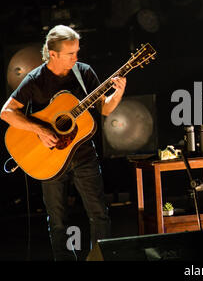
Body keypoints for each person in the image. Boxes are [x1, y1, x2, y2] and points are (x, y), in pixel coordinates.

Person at [1, 25, 127, 260]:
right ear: (52, 54)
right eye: (70, 54)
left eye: (77, 52)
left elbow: (105, 109)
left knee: (99, 214)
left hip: (83, 155)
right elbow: (6, 112)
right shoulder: (35, 79)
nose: (76, 58)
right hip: (50, 159)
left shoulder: (84, 72)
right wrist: (39, 128)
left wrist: (117, 94)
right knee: (58, 221)